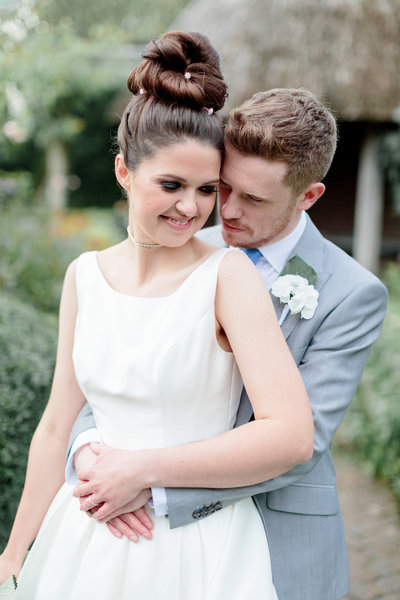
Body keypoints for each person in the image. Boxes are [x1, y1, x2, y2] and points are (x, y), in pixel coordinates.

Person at [0, 32, 314, 599]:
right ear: (124, 172)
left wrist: (142, 470)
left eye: (205, 189)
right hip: (83, 541)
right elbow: (53, 428)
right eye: (170, 185)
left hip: (193, 549)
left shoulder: (227, 276)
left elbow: (290, 435)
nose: (191, 207)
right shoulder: (84, 276)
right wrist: (15, 553)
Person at [69, 88, 388, 600]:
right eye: (223, 188)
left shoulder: (350, 294)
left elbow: (300, 448)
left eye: (255, 199)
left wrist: (146, 481)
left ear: (308, 196)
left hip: (277, 534)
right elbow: (116, 370)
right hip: (149, 536)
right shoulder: (185, 248)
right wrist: (88, 451)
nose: (227, 212)